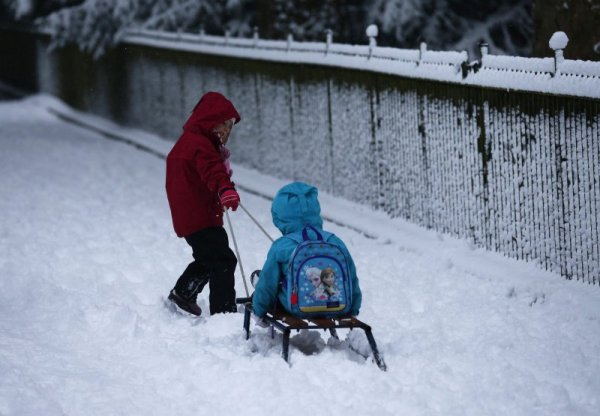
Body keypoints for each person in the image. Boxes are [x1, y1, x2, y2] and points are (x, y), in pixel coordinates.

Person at [165, 91, 241, 316]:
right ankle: (223, 313)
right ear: (210, 122)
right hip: (199, 216)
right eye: (223, 126)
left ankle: (184, 292)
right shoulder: (199, 145)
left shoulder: (192, 141)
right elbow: (211, 170)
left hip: (192, 214)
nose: (226, 132)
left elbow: (208, 173)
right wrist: (224, 188)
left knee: (209, 257)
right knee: (223, 260)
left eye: (229, 127)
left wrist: (223, 187)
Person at [252, 182, 362, 320]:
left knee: (265, 279)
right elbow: (351, 277)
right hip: (337, 305)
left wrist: (258, 311)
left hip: (295, 306)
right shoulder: (334, 241)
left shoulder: (282, 245)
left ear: (280, 217)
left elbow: (268, 283)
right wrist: (353, 309)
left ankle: (255, 282)